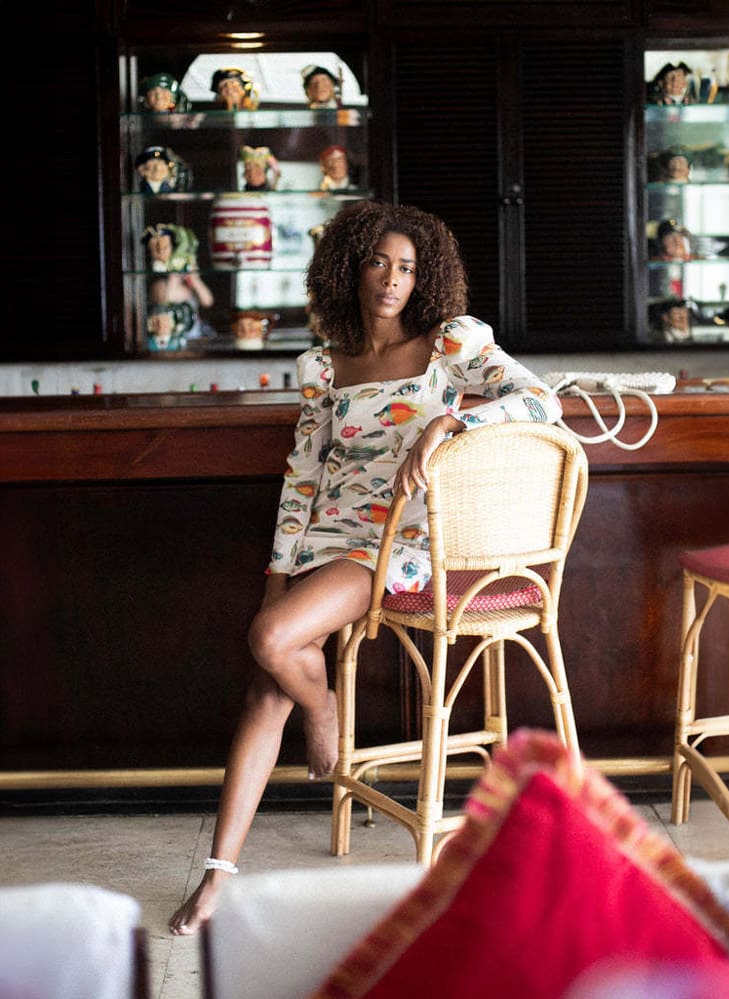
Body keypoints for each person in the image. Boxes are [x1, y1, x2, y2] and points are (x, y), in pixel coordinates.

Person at [167, 199, 562, 936]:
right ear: (351, 269)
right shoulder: (323, 366)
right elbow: (302, 480)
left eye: (407, 268)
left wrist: (451, 420)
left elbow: (541, 401)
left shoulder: (451, 344)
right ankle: (218, 876)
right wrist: (277, 575)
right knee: (268, 682)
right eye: (378, 263)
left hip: (396, 543)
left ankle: (323, 711)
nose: (391, 280)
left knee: (272, 642)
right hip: (326, 538)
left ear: (424, 278)